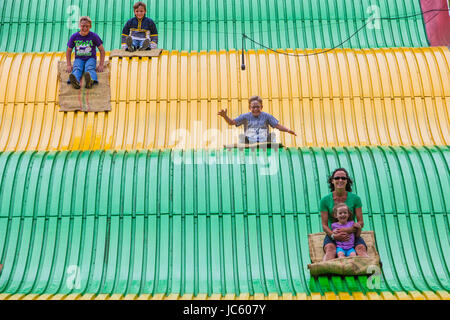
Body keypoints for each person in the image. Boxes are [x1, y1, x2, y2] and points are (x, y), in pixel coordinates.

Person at [320, 168, 369, 261]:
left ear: (347, 181)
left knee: (361, 249)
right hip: (334, 234)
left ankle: (373, 272)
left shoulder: (355, 199)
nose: (340, 180)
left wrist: (349, 230)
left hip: (352, 234)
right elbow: (324, 225)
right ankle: (324, 272)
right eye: (337, 178)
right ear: (332, 181)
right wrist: (334, 235)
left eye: (343, 178)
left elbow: (361, 222)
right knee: (330, 250)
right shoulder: (325, 200)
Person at [217, 95, 297, 144]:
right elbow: (232, 122)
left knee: (273, 135)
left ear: (261, 107)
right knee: (241, 137)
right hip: (250, 140)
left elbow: (277, 126)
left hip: (264, 140)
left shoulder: (266, 116)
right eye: (253, 107)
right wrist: (225, 116)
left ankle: (272, 153)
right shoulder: (245, 116)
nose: (255, 109)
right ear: (249, 108)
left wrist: (289, 130)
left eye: (258, 107)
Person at [66, 16, 105, 89]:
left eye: (87, 26)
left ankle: (90, 81)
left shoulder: (94, 36)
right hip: (79, 58)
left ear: (90, 26)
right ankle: (75, 82)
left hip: (90, 58)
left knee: (89, 68)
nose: (85, 28)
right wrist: (68, 64)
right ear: (79, 26)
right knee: (77, 68)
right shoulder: (74, 36)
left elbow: (102, 50)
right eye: (83, 26)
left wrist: (101, 65)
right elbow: (69, 50)